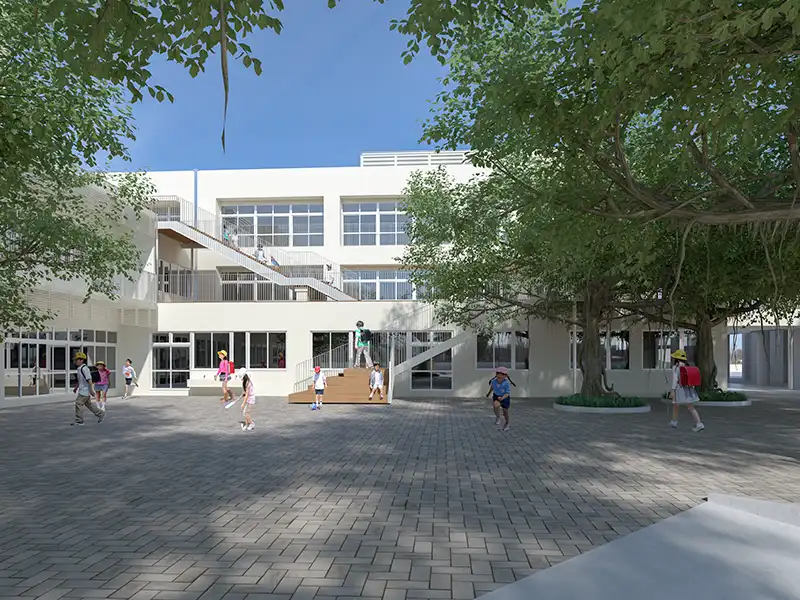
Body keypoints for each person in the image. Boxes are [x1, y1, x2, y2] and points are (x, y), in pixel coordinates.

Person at [669, 349, 705, 432]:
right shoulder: (687, 366)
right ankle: (674, 422)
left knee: (678, 405)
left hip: (679, 388)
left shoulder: (676, 367)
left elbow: (675, 380)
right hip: (688, 388)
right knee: (686, 406)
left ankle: (699, 423)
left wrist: (673, 390)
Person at [71, 352, 104, 426]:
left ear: (82, 360)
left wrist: (91, 390)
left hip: (85, 391)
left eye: (77, 359)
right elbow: (80, 380)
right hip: (83, 390)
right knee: (89, 405)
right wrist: (76, 387)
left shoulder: (85, 369)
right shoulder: (79, 368)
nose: (75, 361)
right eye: (75, 360)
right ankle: (100, 413)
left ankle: (79, 420)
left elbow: (89, 380)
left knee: (78, 403)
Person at [490, 366, 512, 432]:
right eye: (497, 374)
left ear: (505, 376)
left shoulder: (506, 383)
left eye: (501, 375)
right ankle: (498, 417)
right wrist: (488, 393)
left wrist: (502, 398)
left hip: (505, 397)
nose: (499, 376)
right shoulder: (494, 381)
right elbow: (492, 387)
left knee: (505, 412)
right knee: (495, 405)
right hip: (496, 396)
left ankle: (507, 423)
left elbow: (507, 393)